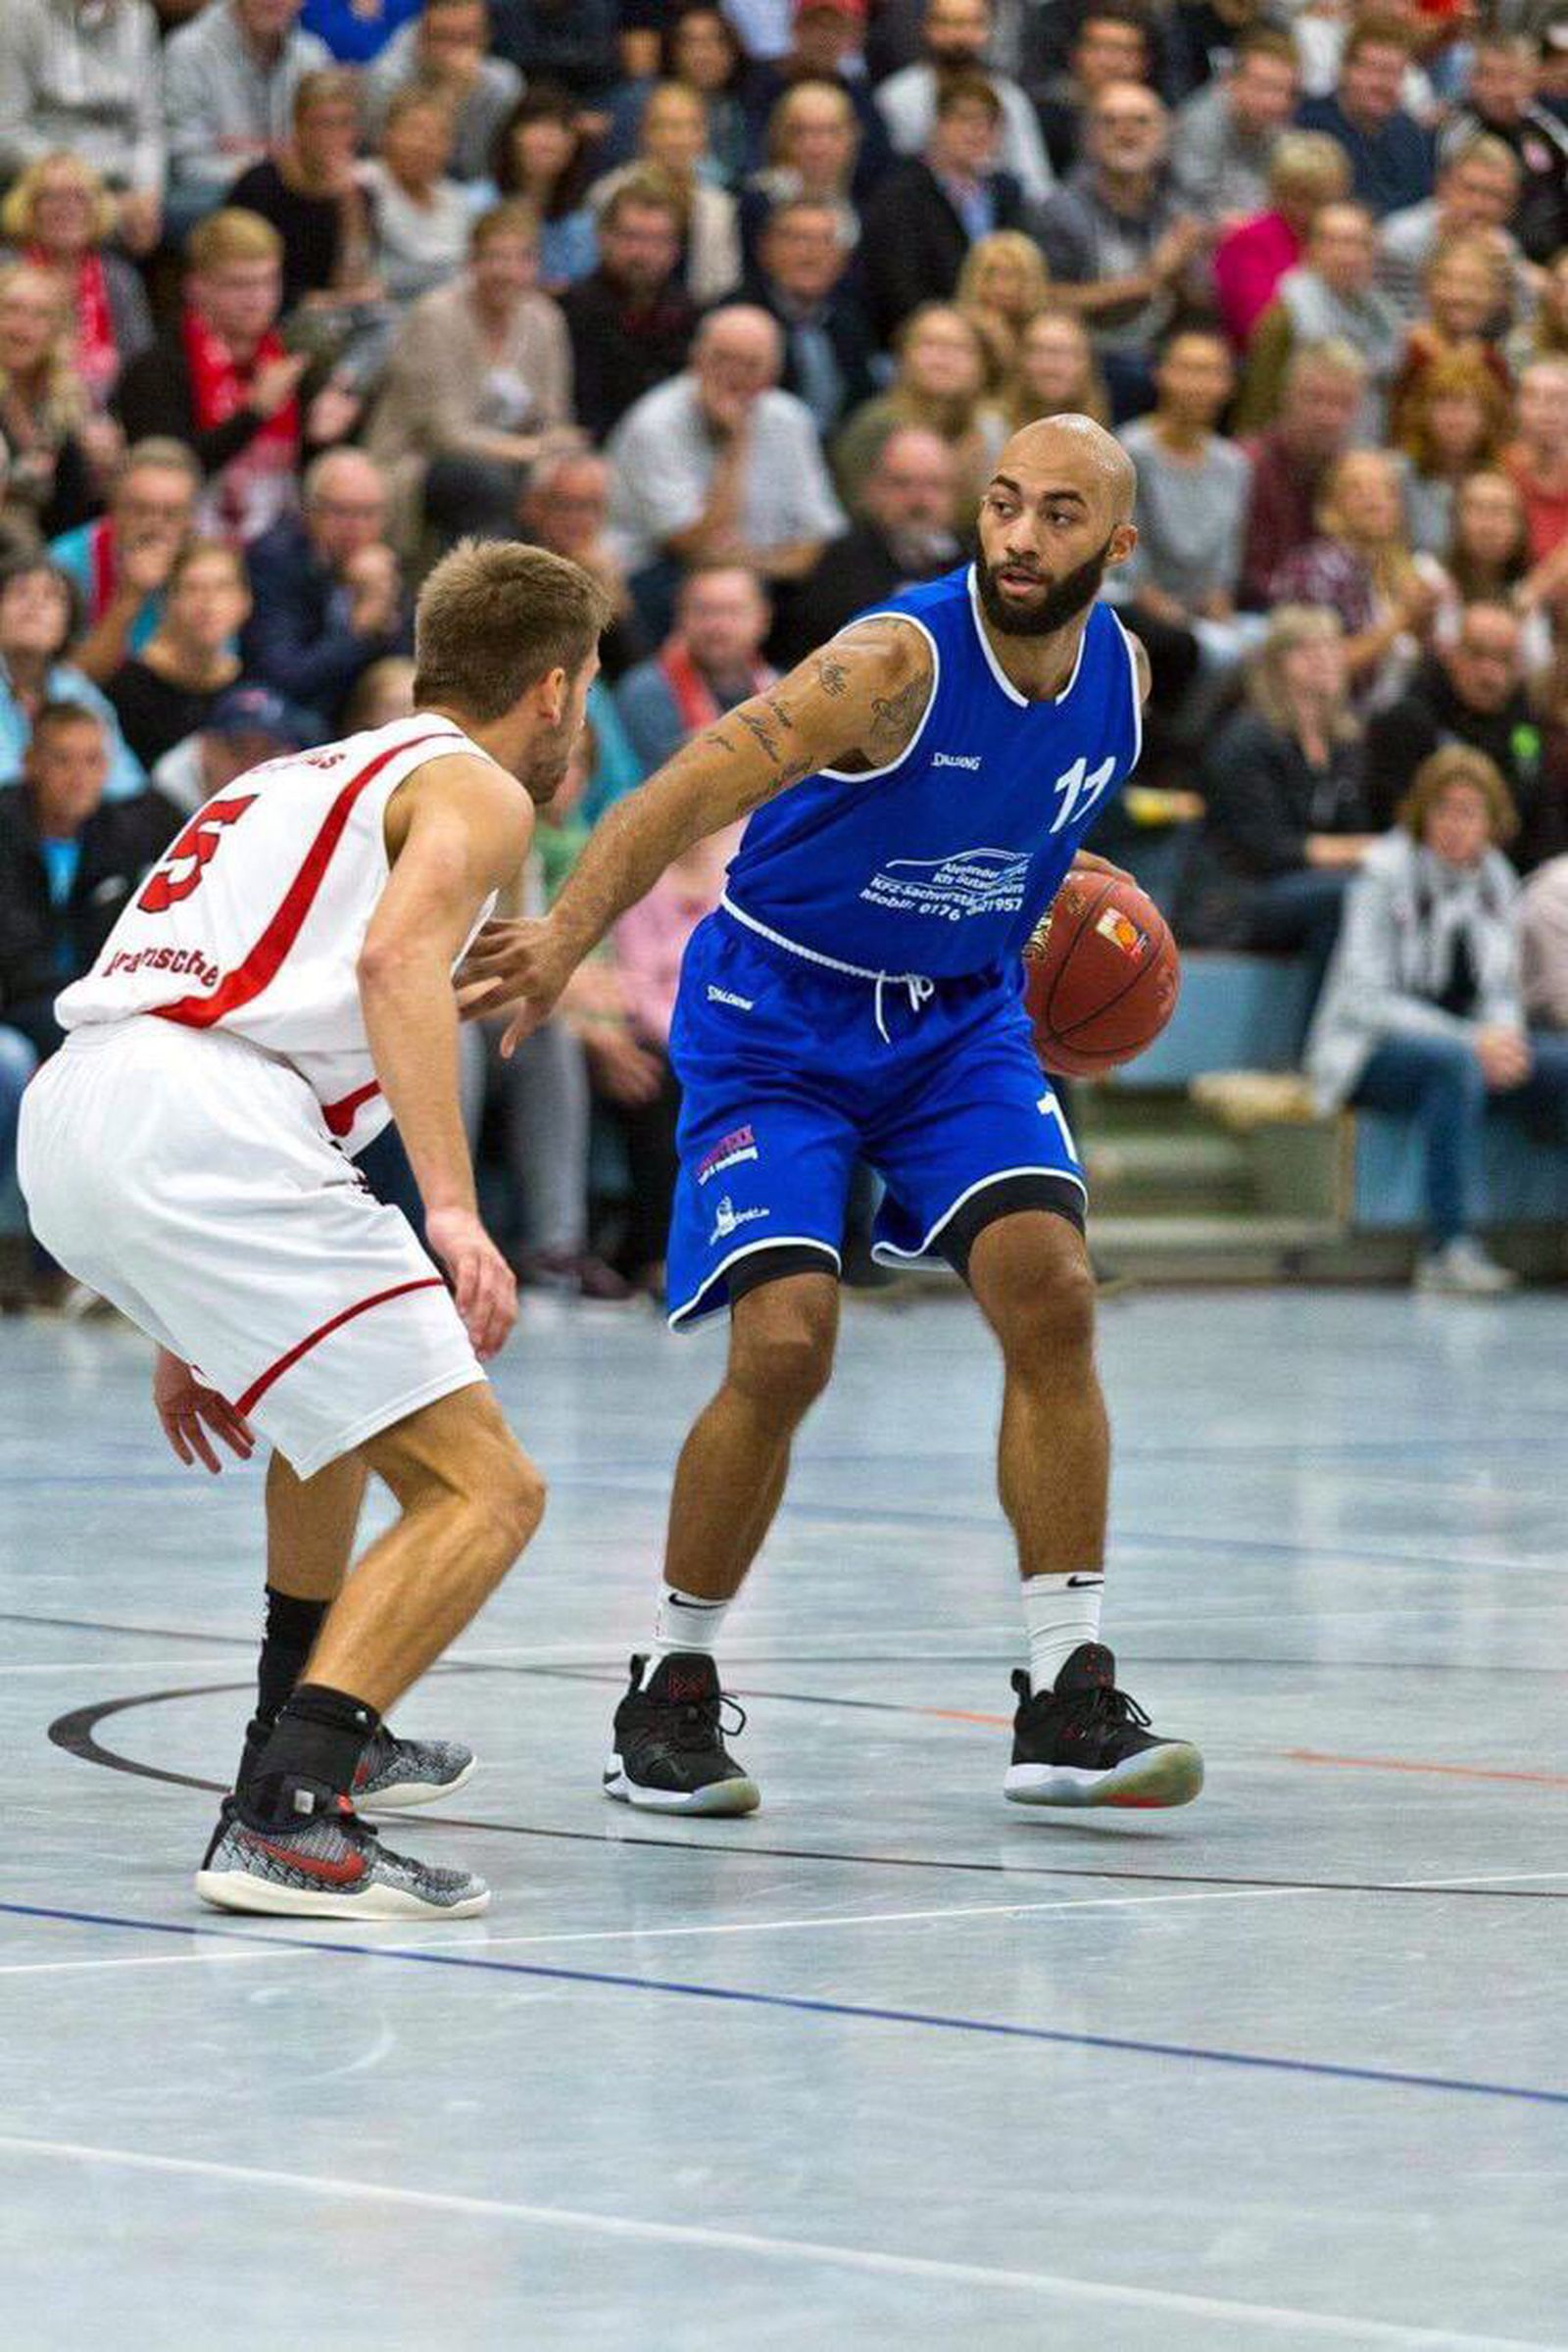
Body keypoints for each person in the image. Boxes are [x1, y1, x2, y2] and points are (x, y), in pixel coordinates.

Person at [460, 414, 1204, 1819]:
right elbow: (681, 790)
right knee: (789, 1343)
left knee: (1051, 1293)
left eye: (1056, 515)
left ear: (1115, 543)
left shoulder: (1124, 673)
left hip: (959, 1019)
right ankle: (670, 1682)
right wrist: (562, 937)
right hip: (779, 1017)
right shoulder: (889, 665)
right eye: (1002, 504)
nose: (1019, 537)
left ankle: (1067, 1691)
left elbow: (1029, 830)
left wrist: (1055, 930)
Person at [18, 539, 612, 1919]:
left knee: (330, 1415)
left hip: (90, 1112)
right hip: (207, 1123)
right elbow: (397, 961)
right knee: (488, 1490)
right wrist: (454, 1208)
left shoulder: (294, 776)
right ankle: (288, 1808)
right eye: (582, 693)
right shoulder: (476, 786)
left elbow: (222, 986)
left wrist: (192, 1314)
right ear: (553, 689)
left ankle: (300, 1719)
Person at [1306, 745, 1568, 1292]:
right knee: (1453, 1065)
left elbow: (1502, 989)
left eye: (1469, 812)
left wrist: (1503, 1037)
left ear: (1492, 822)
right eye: (1443, 809)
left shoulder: (1497, 879)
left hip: (1471, 1047)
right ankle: (1446, 1248)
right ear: (1422, 813)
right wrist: (1473, 1041)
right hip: (1371, 1048)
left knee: (1558, 1065)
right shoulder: (1383, 873)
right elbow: (1364, 998)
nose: (1454, 825)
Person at [0, 704, 179, 1235]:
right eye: (62, 760)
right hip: (17, 1006)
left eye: (93, 761)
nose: (79, 777)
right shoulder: (5, 828)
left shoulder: (123, 833)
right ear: (30, 763)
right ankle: (37, 1244)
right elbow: (14, 955)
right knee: (20, 1065)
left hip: (83, 1008)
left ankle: (126, 1236)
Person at [115, 210, 357, 548]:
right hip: (189, 545)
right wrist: (253, 414)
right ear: (196, 287)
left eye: (268, 282)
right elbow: (168, 476)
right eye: (239, 285)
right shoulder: (157, 368)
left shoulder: (292, 358)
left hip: (283, 541)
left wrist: (323, 438)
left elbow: (306, 477)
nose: (257, 299)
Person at [606, 305, 844, 632]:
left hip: (761, 575)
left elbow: (816, 539)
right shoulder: (656, 424)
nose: (734, 375)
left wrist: (751, 563)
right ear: (696, 359)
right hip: (659, 575)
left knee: (834, 587)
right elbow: (691, 547)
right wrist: (735, 447)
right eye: (722, 358)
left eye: (751, 364)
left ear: (773, 373)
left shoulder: (790, 419)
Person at [1176, 605, 1374, 986]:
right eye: (1307, 648)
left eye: (1331, 647)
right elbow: (1266, 848)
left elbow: (1353, 826)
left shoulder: (1344, 744)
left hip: (1297, 886)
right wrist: (1367, 851)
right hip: (1237, 896)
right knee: (1345, 894)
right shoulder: (1247, 738)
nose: (1324, 659)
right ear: (1275, 662)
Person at [367, 200, 573, 554]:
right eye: (496, 257)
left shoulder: (545, 319)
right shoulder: (436, 316)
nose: (508, 271)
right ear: (471, 261)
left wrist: (547, 460)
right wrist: (525, 451)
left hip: (516, 463)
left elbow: (555, 418)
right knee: (488, 481)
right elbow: (444, 432)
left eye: (522, 259)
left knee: (572, 478)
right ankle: (488, 583)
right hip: (422, 462)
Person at [1037, 82, 1207, 422]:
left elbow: (1199, 305)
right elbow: (1050, 299)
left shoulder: (1178, 208)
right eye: (1110, 122)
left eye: (1141, 121)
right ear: (1088, 138)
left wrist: (1186, 273)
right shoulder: (1060, 210)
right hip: (1089, 358)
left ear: (1165, 135)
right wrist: (1151, 278)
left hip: (1159, 357)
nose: (1126, 133)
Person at [1363, 600, 1560, 868]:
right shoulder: (1408, 720)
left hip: (1513, 872)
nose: (1490, 672)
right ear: (1451, 654)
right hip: (1421, 871)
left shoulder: (1524, 725)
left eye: (1504, 658)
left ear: (1519, 665)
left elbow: (1540, 805)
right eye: (1477, 654)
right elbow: (1395, 817)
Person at [242, 449, 413, 732]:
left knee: (402, 695)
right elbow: (282, 677)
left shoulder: (379, 563)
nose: (356, 527)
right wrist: (358, 631)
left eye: (369, 513)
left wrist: (382, 600)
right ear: (310, 511)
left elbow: (405, 660)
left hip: (353, 705)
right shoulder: (274, 562)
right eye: (342, 512)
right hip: (287, 710)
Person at [859, 73, 1031, 348]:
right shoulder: (900, 196)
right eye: (965, 119)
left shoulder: (1007, 193)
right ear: (938, 124)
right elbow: (901, 292)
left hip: (1003, 339)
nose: (977, 131)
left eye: (989, 122)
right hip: (928, 341)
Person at [769, 426, 961, 664]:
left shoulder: (975, 563)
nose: (919, 500)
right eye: (902, 484)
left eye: (934, 485)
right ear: (874, 489)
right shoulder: (839, 565)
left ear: (955, 493)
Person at [0, 0, 165, 259]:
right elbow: (7, 130)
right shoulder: (16, 12)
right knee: (71, 210)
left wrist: (147, 192)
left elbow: (149, 127)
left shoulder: (139, 16)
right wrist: (89, 189)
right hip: (42, 173)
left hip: (122, 181)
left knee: (150, 222)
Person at [163, 0, 333, 237]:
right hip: (212, 188)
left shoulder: (312, 54)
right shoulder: (188, 49)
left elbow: (321, 150)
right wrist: (268, 165)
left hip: (288, 187)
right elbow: (186, 161)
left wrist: (252, 154)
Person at [0, 154, 155, 414]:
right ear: (29, 207)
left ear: (98, 208)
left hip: (107, 419)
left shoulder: (119, 279)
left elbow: (141, 368)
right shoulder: (6, 268)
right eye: (51, 197)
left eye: (80, 197)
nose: (67, 208)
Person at [1234, 200, 1401, 439]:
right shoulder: (1286, 317)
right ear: (1311, 250)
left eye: (1359, 244)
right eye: (1335, 242)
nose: (1347, 255)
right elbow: (1257, 410)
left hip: (1366, 449)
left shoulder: (1385, 319)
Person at [227, 66, 380, 317]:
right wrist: (306, 301)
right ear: (298, 127)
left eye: (345, 123)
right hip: (267, 313)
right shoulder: (259, 185)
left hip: (334, 314)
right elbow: (235, 272)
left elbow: (353, 283)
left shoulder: (359, 194)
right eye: (323, 123)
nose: (334, 135)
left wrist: (350, 206)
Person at [559, 174, 698, 444]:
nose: (643, 253)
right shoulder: (571, 313)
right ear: (603, 237)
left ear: (675, 249)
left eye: (658, 240)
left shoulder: (690, 315)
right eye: (631, 237)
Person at [50, 440, 200, 688]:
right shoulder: (65, 563)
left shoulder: (207, 565)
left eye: (171, 513)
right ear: (113, 508)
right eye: (140, 510)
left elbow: (216, 672)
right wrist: (130, 597)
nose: (155, 525)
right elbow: (66, 685)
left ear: (191, 519)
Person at [832, 303, 1004, 516]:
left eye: (960, 347)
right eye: (929, 344)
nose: (943, 357)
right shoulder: (873, 427)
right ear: (904, 356)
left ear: (982, 365)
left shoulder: (991, 430)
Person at [875, 0, 1054, 202]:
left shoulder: (1009, 98)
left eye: (972, 23)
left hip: (994, 209)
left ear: (989, 30)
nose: (959, 36)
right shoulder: (897, 96)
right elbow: (887, 175)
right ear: (927, 28)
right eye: (948, 22)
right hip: (915, 207)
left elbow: (1035, 186)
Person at [0, 558, 145, 803]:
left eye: (51, 596)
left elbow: (125, 783)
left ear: (68, 622)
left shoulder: (80, 692)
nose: (35, 604)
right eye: (19, 592)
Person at [590, 82, 742, 308]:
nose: (679, 138)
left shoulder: (719, 205)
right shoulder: (607, 193)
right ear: (644, 133)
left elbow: (723, 284)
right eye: (666, 126)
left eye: (691, 127)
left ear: (704, 137)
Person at [1239, 337, 1365, 609]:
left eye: (1342, 403)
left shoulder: (1354, 476)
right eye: (1315, 399)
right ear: (1285, 397)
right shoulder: (1246, 466)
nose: (1327, 416)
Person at [615, 564, 775, 776]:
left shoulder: (781, 687)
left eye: (733, 611)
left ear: (763, 618)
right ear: (679, 617)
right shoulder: (643, 692)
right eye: (703, 611)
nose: (718, 626)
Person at [106, 540, 252, 769]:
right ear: (167, 602)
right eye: (193, 588)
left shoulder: (252, 682)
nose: (208, 603)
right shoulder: (128, 686)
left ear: (245, 602)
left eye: (222, 587)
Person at [746, 197, 877, 438]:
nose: (812, 254)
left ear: (842, 259)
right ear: (766, 249)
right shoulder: (740, 318)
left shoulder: (850, 320)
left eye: (826, 241)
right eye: (798, 239)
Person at [1211, 128, 1351, 353]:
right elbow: (1257, 330)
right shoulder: (1248, 241)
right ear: (1277, 192)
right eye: (1297, 195)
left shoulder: (1341, 239)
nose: (1307, 208)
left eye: (1321, 197)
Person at [1440, 30, 1568, 264]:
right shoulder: (1455, 130)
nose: (1501, 89)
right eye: (1490, 76)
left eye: (1512, 77)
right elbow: (1448, 203)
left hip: (1555, 251)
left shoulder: (1546, 126)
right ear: (1472, 81)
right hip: (1486, 255)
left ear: (1531, 81)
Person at [1377, 133, 1523, 332]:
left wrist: (1505, 285)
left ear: (1510, 206)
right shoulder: (1401, 241)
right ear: (1443, 187)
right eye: (1470, 189)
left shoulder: (1504, 248)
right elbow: (1396, 327)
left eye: (1494, 196)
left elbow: (1521, 327)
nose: (1479, 206)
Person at [1296, 13, 1436, 220]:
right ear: (1345, 70)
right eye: (1374, 70)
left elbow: (1421, 209)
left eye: (1394, 73)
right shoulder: (1308, 126)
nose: (1383, 84)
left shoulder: (1409, 133)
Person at [0, 265, 104, 544]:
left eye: (40, 315)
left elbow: (76, 504)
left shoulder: (67, 400)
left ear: (57, 330)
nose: (23, 325)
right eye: (12, 309)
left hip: (55, 549)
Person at [366, 0, 521, 184]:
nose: (455, 52)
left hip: (469, 188)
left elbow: (490, 166)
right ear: (421, 38)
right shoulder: (386, 80)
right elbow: (385, 156)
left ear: (485, 39)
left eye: (466, 38)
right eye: (443, 37)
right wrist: (449, 93)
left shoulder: (502, 85)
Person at [1172, 26, 1301, 225]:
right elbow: (1196, 206)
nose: (1277, 102)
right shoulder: (1199, 123)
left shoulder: (1277, 127)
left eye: (1287, 91)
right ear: (1231, 82)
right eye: (1264, 87)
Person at [740, 75, 864, 266]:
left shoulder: (864, 203)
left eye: (832, 131)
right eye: (803, 132)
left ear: (851, 137)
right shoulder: (755, 203)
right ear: (781, 137)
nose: (818, 147)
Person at [491, 83, 599, 293]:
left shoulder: (581, 224)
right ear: (512, 136)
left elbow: (582, 292)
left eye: (562, 129)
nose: (548, 139)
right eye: (537, 125)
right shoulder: (475, 205)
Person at [1033, 4, 1153, 184]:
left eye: (1126, 51)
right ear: (1075, 55)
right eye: (1101, 48)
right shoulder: (1045, 117)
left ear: (1145, 62)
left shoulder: (1157, 118)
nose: (1113, 63)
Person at [955, 229, 1054, 393]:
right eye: (990, 274)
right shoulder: (954, 333)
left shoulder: (1051, 336)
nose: (1002, 287)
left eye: (1015, 275)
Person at [1000, 307, 1110, 430]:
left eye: (1061, 352)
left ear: (1085, 362)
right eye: (1037, 351)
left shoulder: (1106, 437)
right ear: (1020, 360)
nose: (1049, 366)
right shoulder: (990, 431)